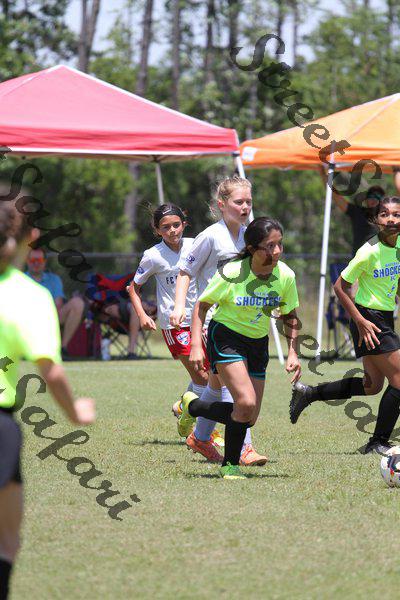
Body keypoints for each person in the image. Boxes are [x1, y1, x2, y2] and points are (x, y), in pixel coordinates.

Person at [0, 200, 95, 599]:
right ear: (31, 237)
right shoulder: (29, 296)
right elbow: (51, 372)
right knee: (6, 542)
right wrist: (75, 412)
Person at [177, 217, 301, 479]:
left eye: (280, 244)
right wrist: (196, 345)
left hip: (257, 343)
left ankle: (194, 406)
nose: (277, 251)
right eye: (270, 246)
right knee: (244, 402)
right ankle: (230, 465)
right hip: (226, 337)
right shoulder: (233, 272)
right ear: (253, 249)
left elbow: (290, 314)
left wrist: (293, 351)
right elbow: (202, 305)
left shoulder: (285, 276)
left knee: (249, 416)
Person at [290, 196, 400, 455]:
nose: (391, 219)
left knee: (372, 386)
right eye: (384, 214)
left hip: (383, 317)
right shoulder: (369, 251)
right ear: (376, 219)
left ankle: (309, 393)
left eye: (396, 214)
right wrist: (360, 321)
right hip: (369, 319)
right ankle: (378, 442)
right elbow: (340, 286)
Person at [170, 176, 267, 466]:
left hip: (243, 320)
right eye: (239, 202)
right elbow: (185, 272)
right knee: (236, 386)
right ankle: (245, 447)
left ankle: (200, 436)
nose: (245, 207)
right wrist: (179, 306)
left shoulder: (251, 235)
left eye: (248, 201)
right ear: (222, 204)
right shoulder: (211, 236)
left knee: (216, 384)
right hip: (215, 321)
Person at [128, 204, 222, 462]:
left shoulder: (195, 245)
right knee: (203, 376)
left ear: (184, 223)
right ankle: (205, 430)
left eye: (176, 225)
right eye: (165, 227)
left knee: (212, 375)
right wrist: (142, 315)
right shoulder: (153, 256)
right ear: (157, 230)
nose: (172, 230)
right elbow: (133, 288)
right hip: (175, 325)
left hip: (201, 318)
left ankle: (184, 406)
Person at [26, 248, 85, 360]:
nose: (36, 263)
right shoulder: (18, 279)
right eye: (32, 260)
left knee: (77, 303)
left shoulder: (54, 279)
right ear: (27, 261)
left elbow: (58, 304)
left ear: (44, 261)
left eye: (39, 260)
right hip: (25, 322)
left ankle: (62, 349)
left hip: (51, 317)